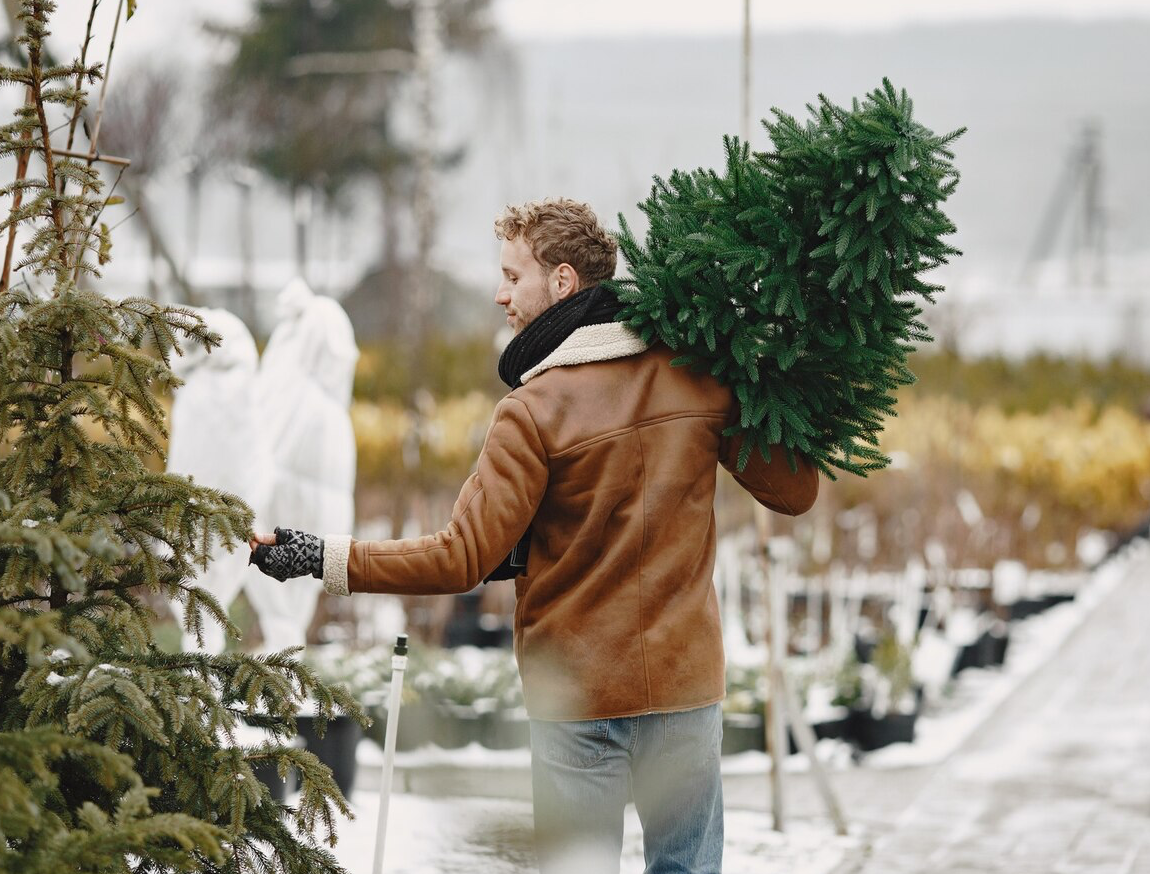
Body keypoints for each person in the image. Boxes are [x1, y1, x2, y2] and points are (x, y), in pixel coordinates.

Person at [250, 198, 819, 874]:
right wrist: (767, 370)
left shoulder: (531, 411)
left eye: (512, 277)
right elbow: (795, 492)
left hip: (577, 700)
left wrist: (325, 557)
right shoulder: (694, 373)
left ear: (563, 282)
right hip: (684, 689)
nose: (499, 294)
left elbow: (460, 557)